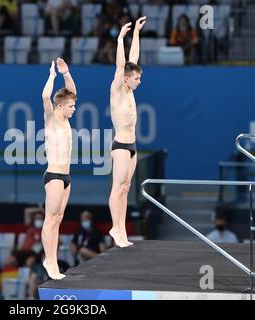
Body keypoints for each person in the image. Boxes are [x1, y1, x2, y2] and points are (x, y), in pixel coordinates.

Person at [108, 17, 146, 248]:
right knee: (117, 188)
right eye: (137, 79)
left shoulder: (130, 90)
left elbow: (134, 60)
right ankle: (116, 227)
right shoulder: (118, 89)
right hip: (121, 146)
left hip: (132, 147)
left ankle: (121, 229)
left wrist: (137, 34)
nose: (140, 82)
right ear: (126, 79)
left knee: (126, 188)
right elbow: (122, 65)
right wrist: (121, 38)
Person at [41, 57, 77, 280]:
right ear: (60, 106)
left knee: (58, 219)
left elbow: (71, 92)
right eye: (71, 106)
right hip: (54, 175)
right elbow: (46, 96)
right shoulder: (52, 118)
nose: (74, 108)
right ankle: (50, 260)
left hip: (66, 177)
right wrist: (53, 76)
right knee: (50, 219)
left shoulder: (66, 119)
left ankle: (52, 260)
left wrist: (66, 74)